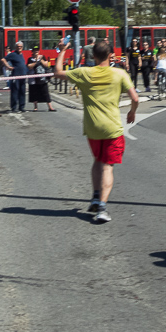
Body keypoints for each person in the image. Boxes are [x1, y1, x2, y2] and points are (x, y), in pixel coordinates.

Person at [54, 37, 139, 224]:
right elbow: (135, 98)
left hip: (92, 127)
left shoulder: (84, 72)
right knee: (108, 166)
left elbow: (58, 72)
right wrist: (132, 112)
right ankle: (101, 207)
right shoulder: (119, 74)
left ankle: (94, 196)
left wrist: (62, 50)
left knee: (97, 161)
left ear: (93, 56)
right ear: (110, 56)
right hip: (112, 128)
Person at [1, 42, 28, 113]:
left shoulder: (22, 54)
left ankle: (21, 107)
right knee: (15, 92)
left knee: (22, 91)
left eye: (21, 46)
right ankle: (14, 107)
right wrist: (8, 67)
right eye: (18, 46)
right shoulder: (13, 54)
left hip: (23, 76)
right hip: (15, 76)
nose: (19, 48)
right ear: (16, 47)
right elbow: (3, 59)